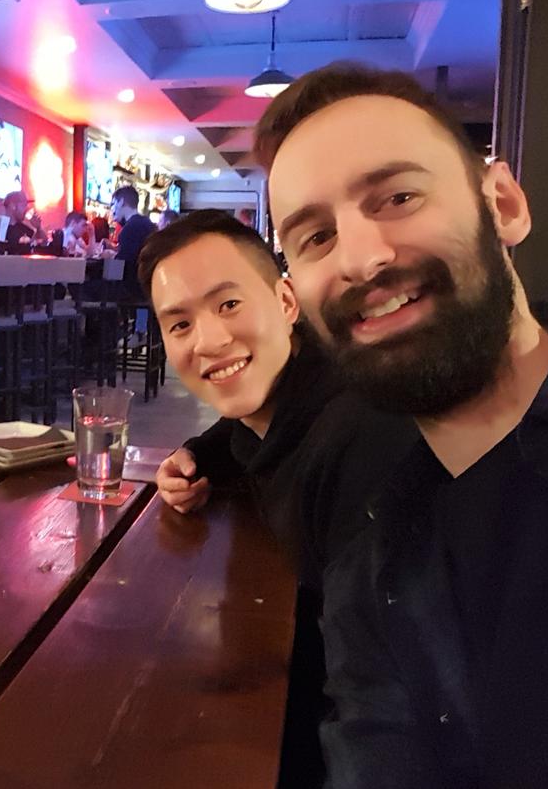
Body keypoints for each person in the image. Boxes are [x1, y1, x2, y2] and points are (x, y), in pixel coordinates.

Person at [255, 63, 548, 787]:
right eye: (315, 237)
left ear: (503, 204)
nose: (361, 259)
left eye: (399, 197)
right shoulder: (371, 535)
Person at [139, 210, 418, 787]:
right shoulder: (295, 393)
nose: (209, 340)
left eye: (229, 304)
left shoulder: (357, 441)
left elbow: (387, 693)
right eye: (180, 324)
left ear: (286, 301)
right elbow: (239, 433)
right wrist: (193, 457)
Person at [110, 185, 156, 300]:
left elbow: (122, 266)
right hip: (148, 286)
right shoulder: (148, 224)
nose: (112, 209)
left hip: (131, 289)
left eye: (113, 204)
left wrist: (111, 257)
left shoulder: (129, 229)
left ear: (121, 202)